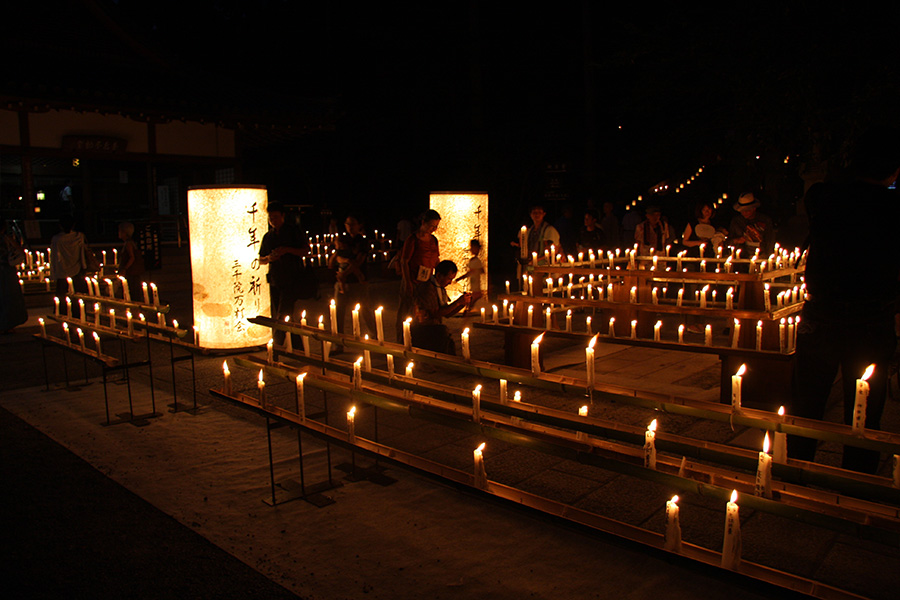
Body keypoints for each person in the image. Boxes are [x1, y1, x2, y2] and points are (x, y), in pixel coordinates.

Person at [790, 128, 900, 474]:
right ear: (893, 171)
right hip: (871, 316)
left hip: (821, 312)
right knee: (865, 404)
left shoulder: (824, 198)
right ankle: (857, 476)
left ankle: (796, 468)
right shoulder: (892, 208)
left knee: (807, 399)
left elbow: (821, 188)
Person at [259, 202, 307, 344]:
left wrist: (287, 250)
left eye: (275, 217)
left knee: (282, 313)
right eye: (270, 218)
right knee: (286, 314)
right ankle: (297, 345)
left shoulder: (293, 232)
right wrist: (269, 258)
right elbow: (261, 259)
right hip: (275, 279)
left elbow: (305, 251)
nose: (273, 220)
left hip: (292, 278)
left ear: (283, 216)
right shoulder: (268, 236)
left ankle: (276, 346)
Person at [411, 260, 477, 354]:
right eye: (449, 279)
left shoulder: (440, 288)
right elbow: (436, 313)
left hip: (434, 326)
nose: (450, 283)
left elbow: (447, 314)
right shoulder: (427, 288)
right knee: (443, 334)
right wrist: (458, 302)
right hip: (422, 328)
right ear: (438, 276)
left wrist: (463, 303)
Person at [329, 214, 375, 340]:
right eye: (348, 224)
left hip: (357, 282)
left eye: (353, 224)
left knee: (365, 310)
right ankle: (338, 340)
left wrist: (345, 272)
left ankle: (375, 337)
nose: (350, 227)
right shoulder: (342, 240)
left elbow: (359, 261)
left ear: (359, 225)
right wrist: (346, 263)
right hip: (342, 280)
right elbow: (336, 258)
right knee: (338, 311)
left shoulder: (362, 241)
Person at [397, 209, 441, 339]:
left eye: (436, 226)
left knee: (424, 312)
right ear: (423, 222)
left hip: (427, 281)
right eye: (432, 225)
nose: (434, 229)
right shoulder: (413, 239)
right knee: (407, 311)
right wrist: (408, 283)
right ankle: (402, 338)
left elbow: (436, 259)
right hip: (413, 280)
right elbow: (404, 261)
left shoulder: (433, 240)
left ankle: (421, 338)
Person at [49, 216, 87, 315]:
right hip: (77, 270)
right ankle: (78, 315)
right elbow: (82, 254)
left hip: (62, 271)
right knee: (76, 297)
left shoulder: (56, 239)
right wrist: (84, 268)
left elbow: (53, 257)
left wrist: (53, 274)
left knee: (62, 298)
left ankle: (63, 315)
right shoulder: (79, 236)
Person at [0, 219, 28, 333]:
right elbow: (20, 251)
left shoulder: (6, 239)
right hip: (7, 272)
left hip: (6, 272)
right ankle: (9, 324)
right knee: (9, 297)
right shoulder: (7, 239)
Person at [117, 222, 145, 301]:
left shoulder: (128, 243)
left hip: (131, 273)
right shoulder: (130, 243)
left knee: (132, 292)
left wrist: (124, 268)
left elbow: (132, 257)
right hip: (132, 273)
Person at [454, 239, 485, 311]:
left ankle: (466, 315)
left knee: (472, 301)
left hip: (476, 285)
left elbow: (472, 272)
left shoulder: (476, 261)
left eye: (473, 248)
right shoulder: (475, 260)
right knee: (473, 301)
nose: (471, 249)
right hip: (474, 284)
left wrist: (460, 278)